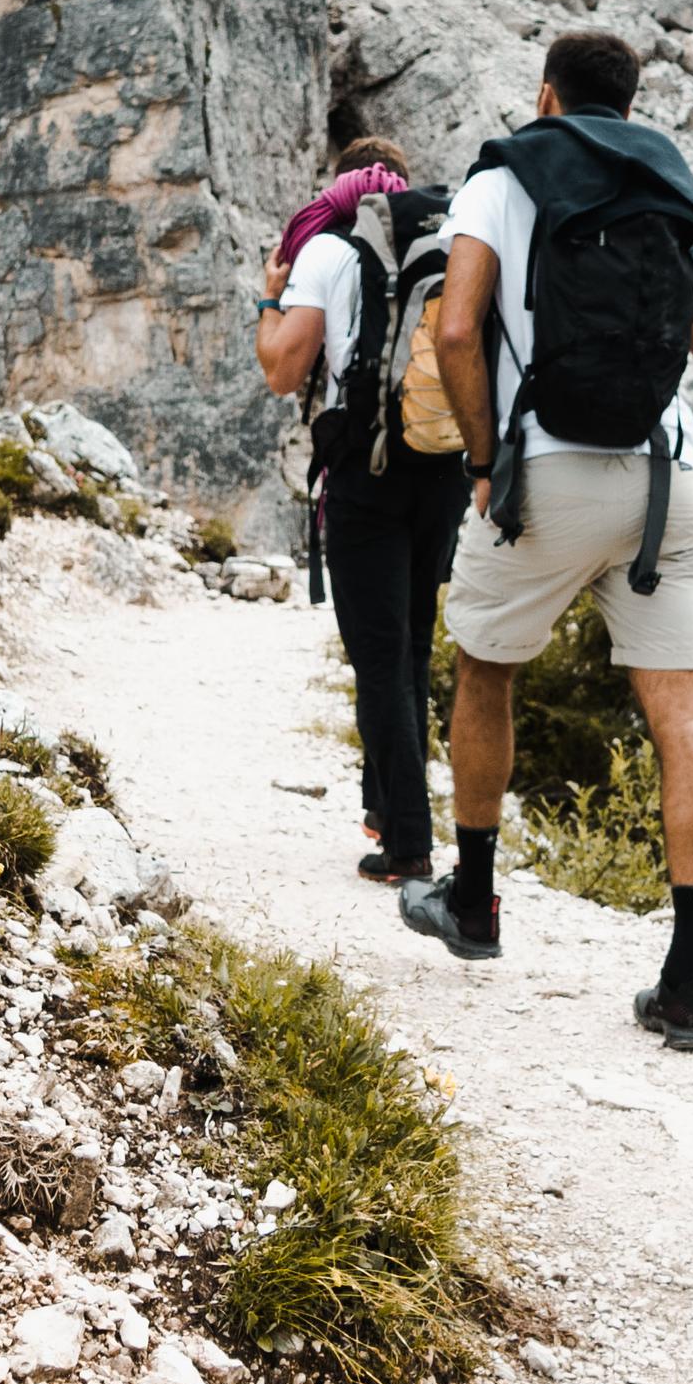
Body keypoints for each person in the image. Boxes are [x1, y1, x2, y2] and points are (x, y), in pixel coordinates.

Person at [404, 30, 693, 1054]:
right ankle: (689, 978)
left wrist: (485, 461)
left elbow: (457, 331)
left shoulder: (509, 174)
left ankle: (478, 900)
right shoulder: (678, 187)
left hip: (542, 473)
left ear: (547, 96)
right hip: (662, 478)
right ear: (629, 106)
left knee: (485, 667)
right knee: (682, 716)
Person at [259, 136, 469, 887]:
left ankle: (409, 845)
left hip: (364, 468)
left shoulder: (328, 250)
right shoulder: (448, 240)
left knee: (376, 654)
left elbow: (284, 369)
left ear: (343, 186)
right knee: (411, 643)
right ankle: (384, 808)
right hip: (443, 461)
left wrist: (268, 297)